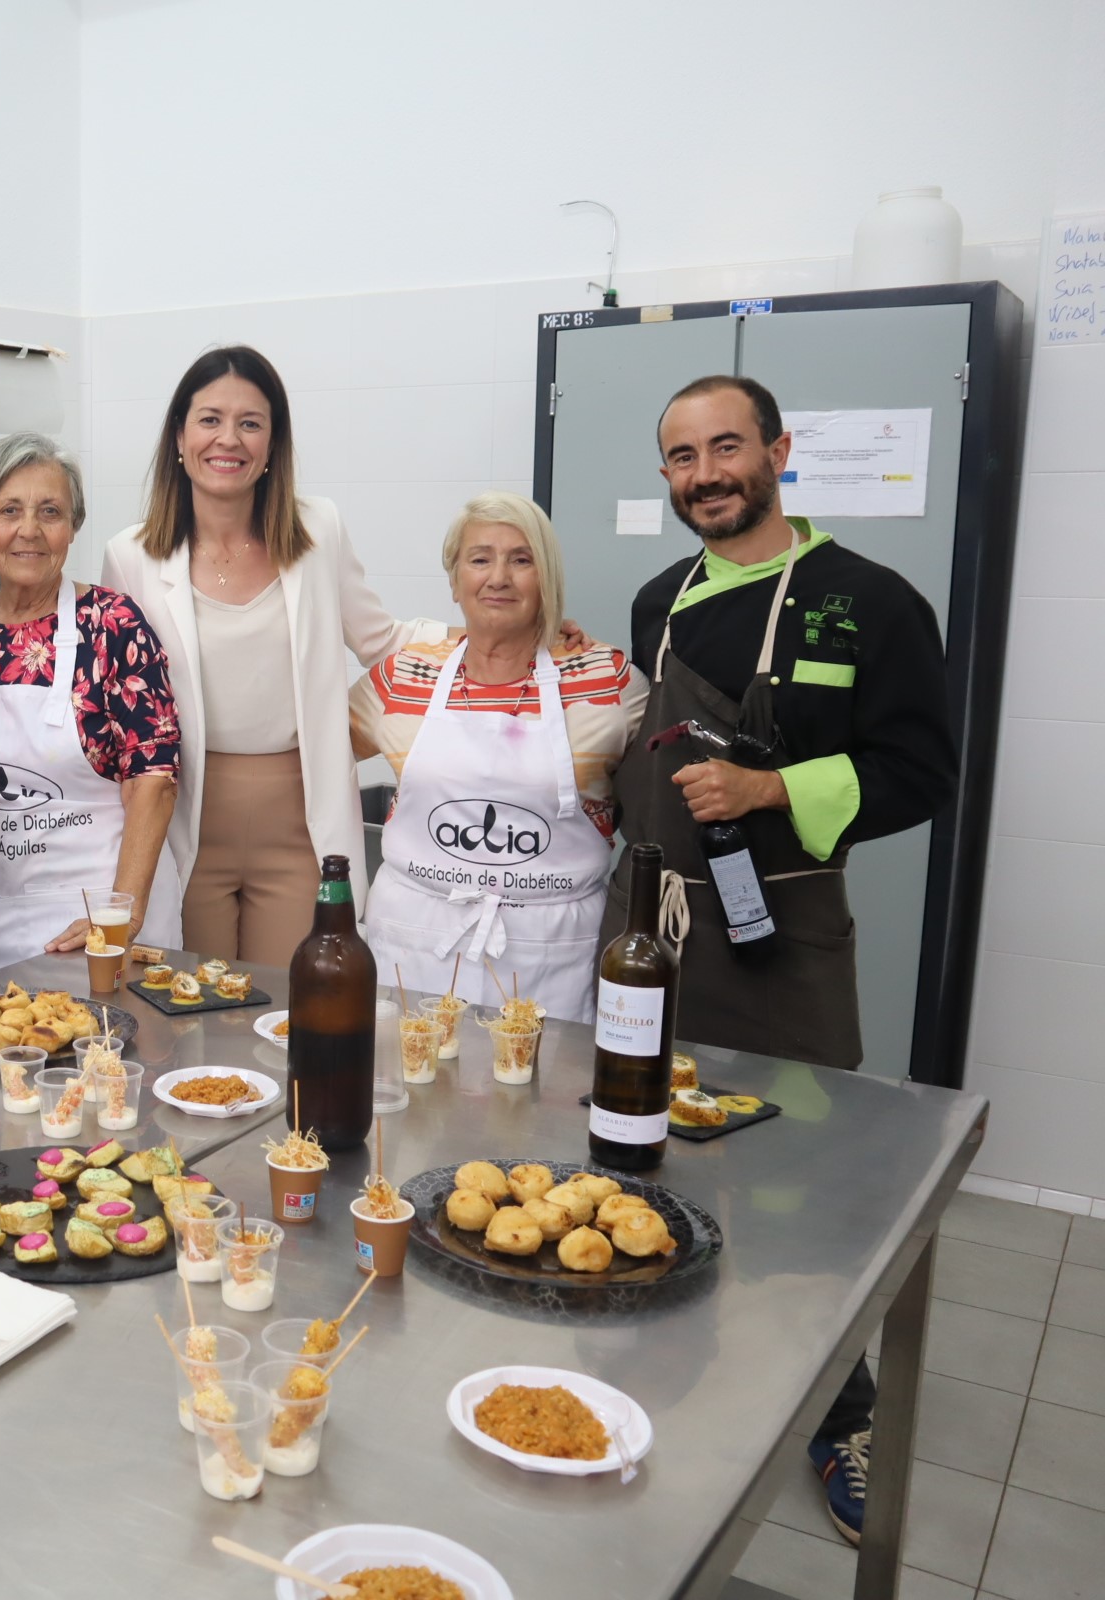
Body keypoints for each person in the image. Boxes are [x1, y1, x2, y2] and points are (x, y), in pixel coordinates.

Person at [621, 374, 953, 1545]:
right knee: (651, 1158)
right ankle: (673, 1363)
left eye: (726, 447)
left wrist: (772, 787)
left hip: (784, 941)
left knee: (799, 1185)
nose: (705, 473)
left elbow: (922, 771)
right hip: (656, 934)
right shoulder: (658, 600)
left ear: (776, 450)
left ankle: (839, 1410)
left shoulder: (867, 603)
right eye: (681, 458)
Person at [100, 345, 450, 963]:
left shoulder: (318, 532)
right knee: (195, 1007)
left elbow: (382, 640)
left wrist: (504, 632)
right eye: (209, 419)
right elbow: (118, 707)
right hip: (186, 826)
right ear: (179, 436)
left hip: (299, 827)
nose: (227, 439)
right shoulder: (131, 556)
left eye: (250, 422)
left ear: (272, 444)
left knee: (288, 1014)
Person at [350, 492, 645, 1020]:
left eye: (522, 560)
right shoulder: (403, 677)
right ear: (455, 577)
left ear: (547, 577)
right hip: (414, 941)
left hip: (551, 950)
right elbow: (309, 756)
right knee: (409, 1084)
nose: (499, 578)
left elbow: (656, 796)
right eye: (480, 559)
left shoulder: (607, 679)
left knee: (543, 1092)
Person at [0, 433, 182, 980]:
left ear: (73, 526)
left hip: (96, 921)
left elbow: (154, 780)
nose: (30, 531)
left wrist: (123, 914)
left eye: (50, 512)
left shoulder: (113, 625)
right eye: (9, 510)